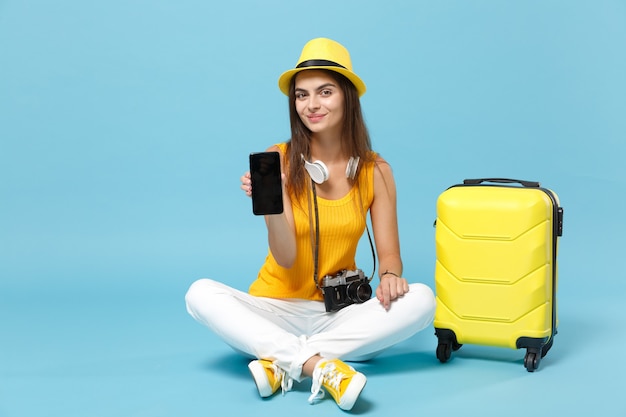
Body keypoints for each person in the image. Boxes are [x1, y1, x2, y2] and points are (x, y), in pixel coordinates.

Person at [185, 37, 436, 411]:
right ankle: (319, 366)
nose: (312, 105)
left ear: (348, 96)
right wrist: (275, 204)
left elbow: (390, 256)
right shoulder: (278, 160)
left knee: (422, 300)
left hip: (339, 314)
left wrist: (389, 277)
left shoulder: (375, 170)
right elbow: (285, 258)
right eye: (302, 95)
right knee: (199, 293)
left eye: (325, 91)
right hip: (274, 309)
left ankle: (283, 364)